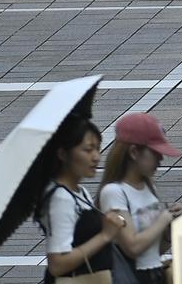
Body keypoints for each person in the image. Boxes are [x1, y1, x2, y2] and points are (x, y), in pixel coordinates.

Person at [38, 118, 128, 283]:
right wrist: (104, 235)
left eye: (97, 149)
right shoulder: (61, 199)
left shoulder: (79, 192)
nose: (96, 157)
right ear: (63, 154)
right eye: (88, 150)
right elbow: (57, 264)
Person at [102, 113, 182, 284]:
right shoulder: (114, 192)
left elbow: (154, 252)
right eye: (155, 153)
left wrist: (169, 231)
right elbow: (133, 247)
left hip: (154, 275)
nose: (161, 159)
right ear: (134, 152)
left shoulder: (149, 188)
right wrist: (163, 219)